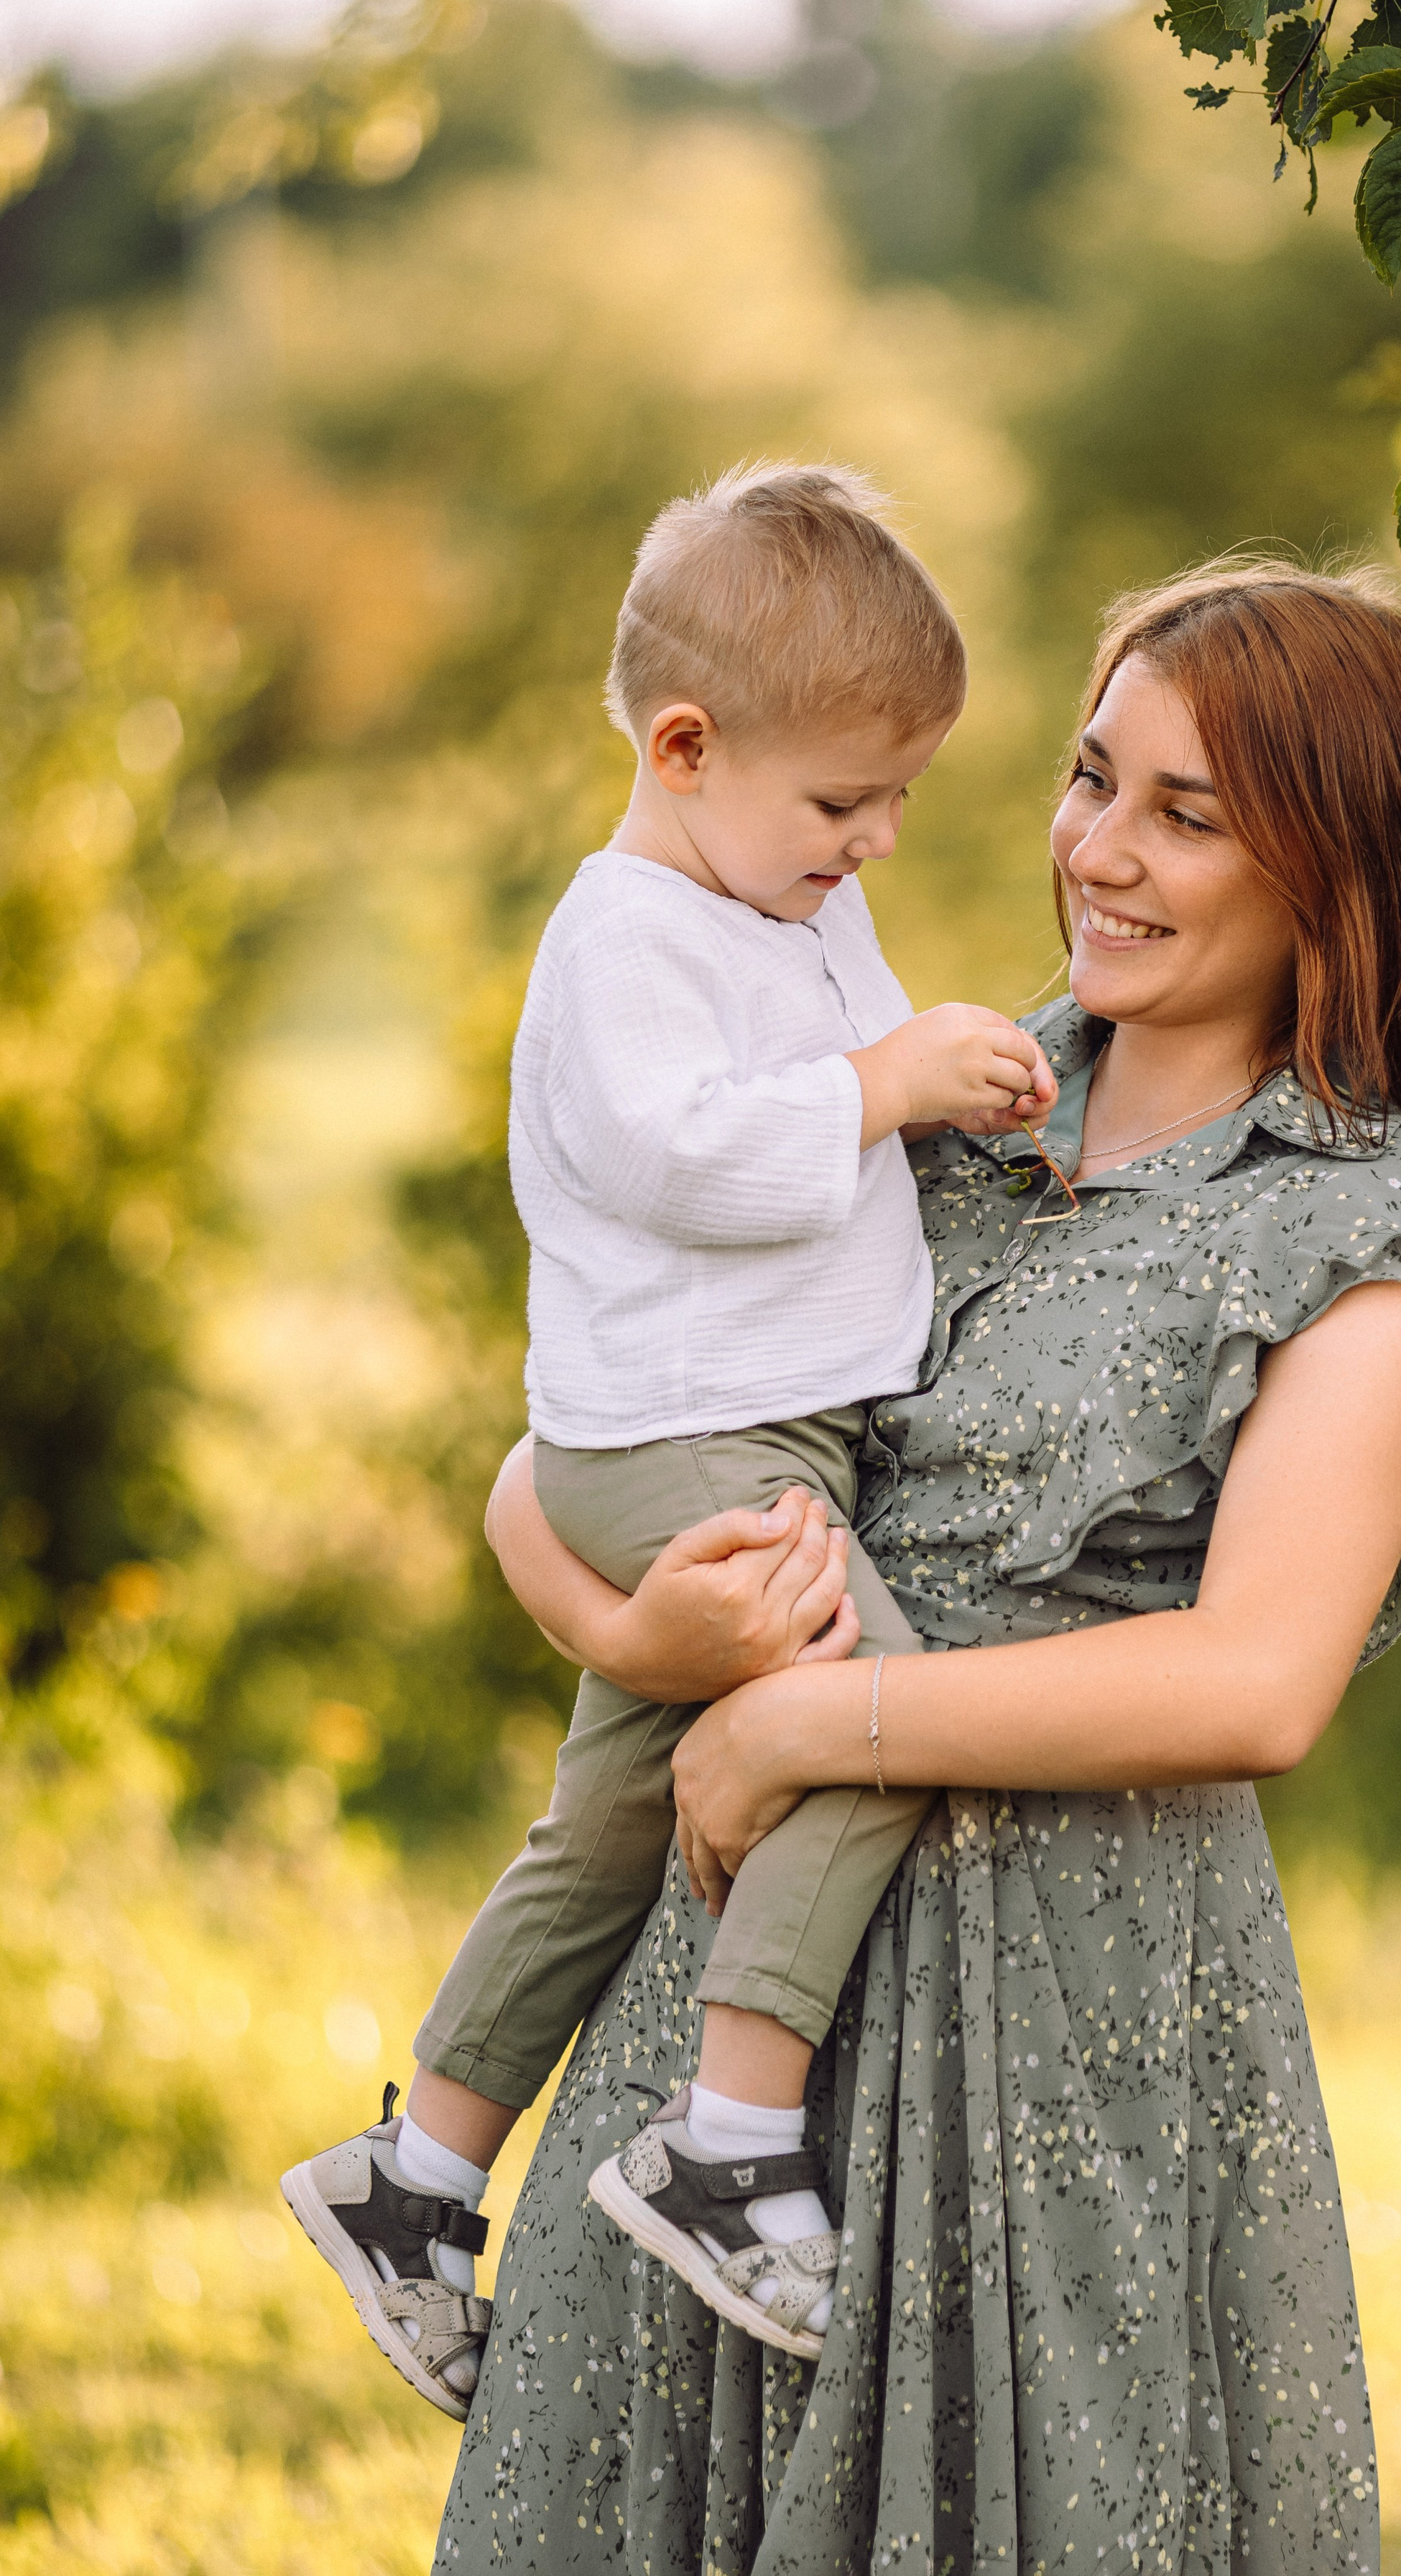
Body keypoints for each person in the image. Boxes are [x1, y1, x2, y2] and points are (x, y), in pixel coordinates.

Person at [433, 555, 1401, 2576]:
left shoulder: (1381, 1229)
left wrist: (805, 1724)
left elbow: (1253, 1681)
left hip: (1074, 2001)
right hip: (728, 2024)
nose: (1098, 852)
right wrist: (642, 1630)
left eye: (1184, 815)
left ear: (1336, 867)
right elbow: (566, 1445)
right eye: (1090, 777)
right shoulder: (935, 1112)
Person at [279, 462, 1061, 2414]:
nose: (877, 841)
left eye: (901, 799)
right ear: (687, 748)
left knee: (607, 1827)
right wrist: (884, 1081)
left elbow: (845, 1124)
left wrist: (943, 1106)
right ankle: (728, 2137)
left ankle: (415, 2172)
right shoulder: (627, 935)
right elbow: (687, 1154)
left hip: (741, 1427)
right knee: (870, 1726)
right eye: (843, 802)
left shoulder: (784, 900)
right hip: (692, 1435)